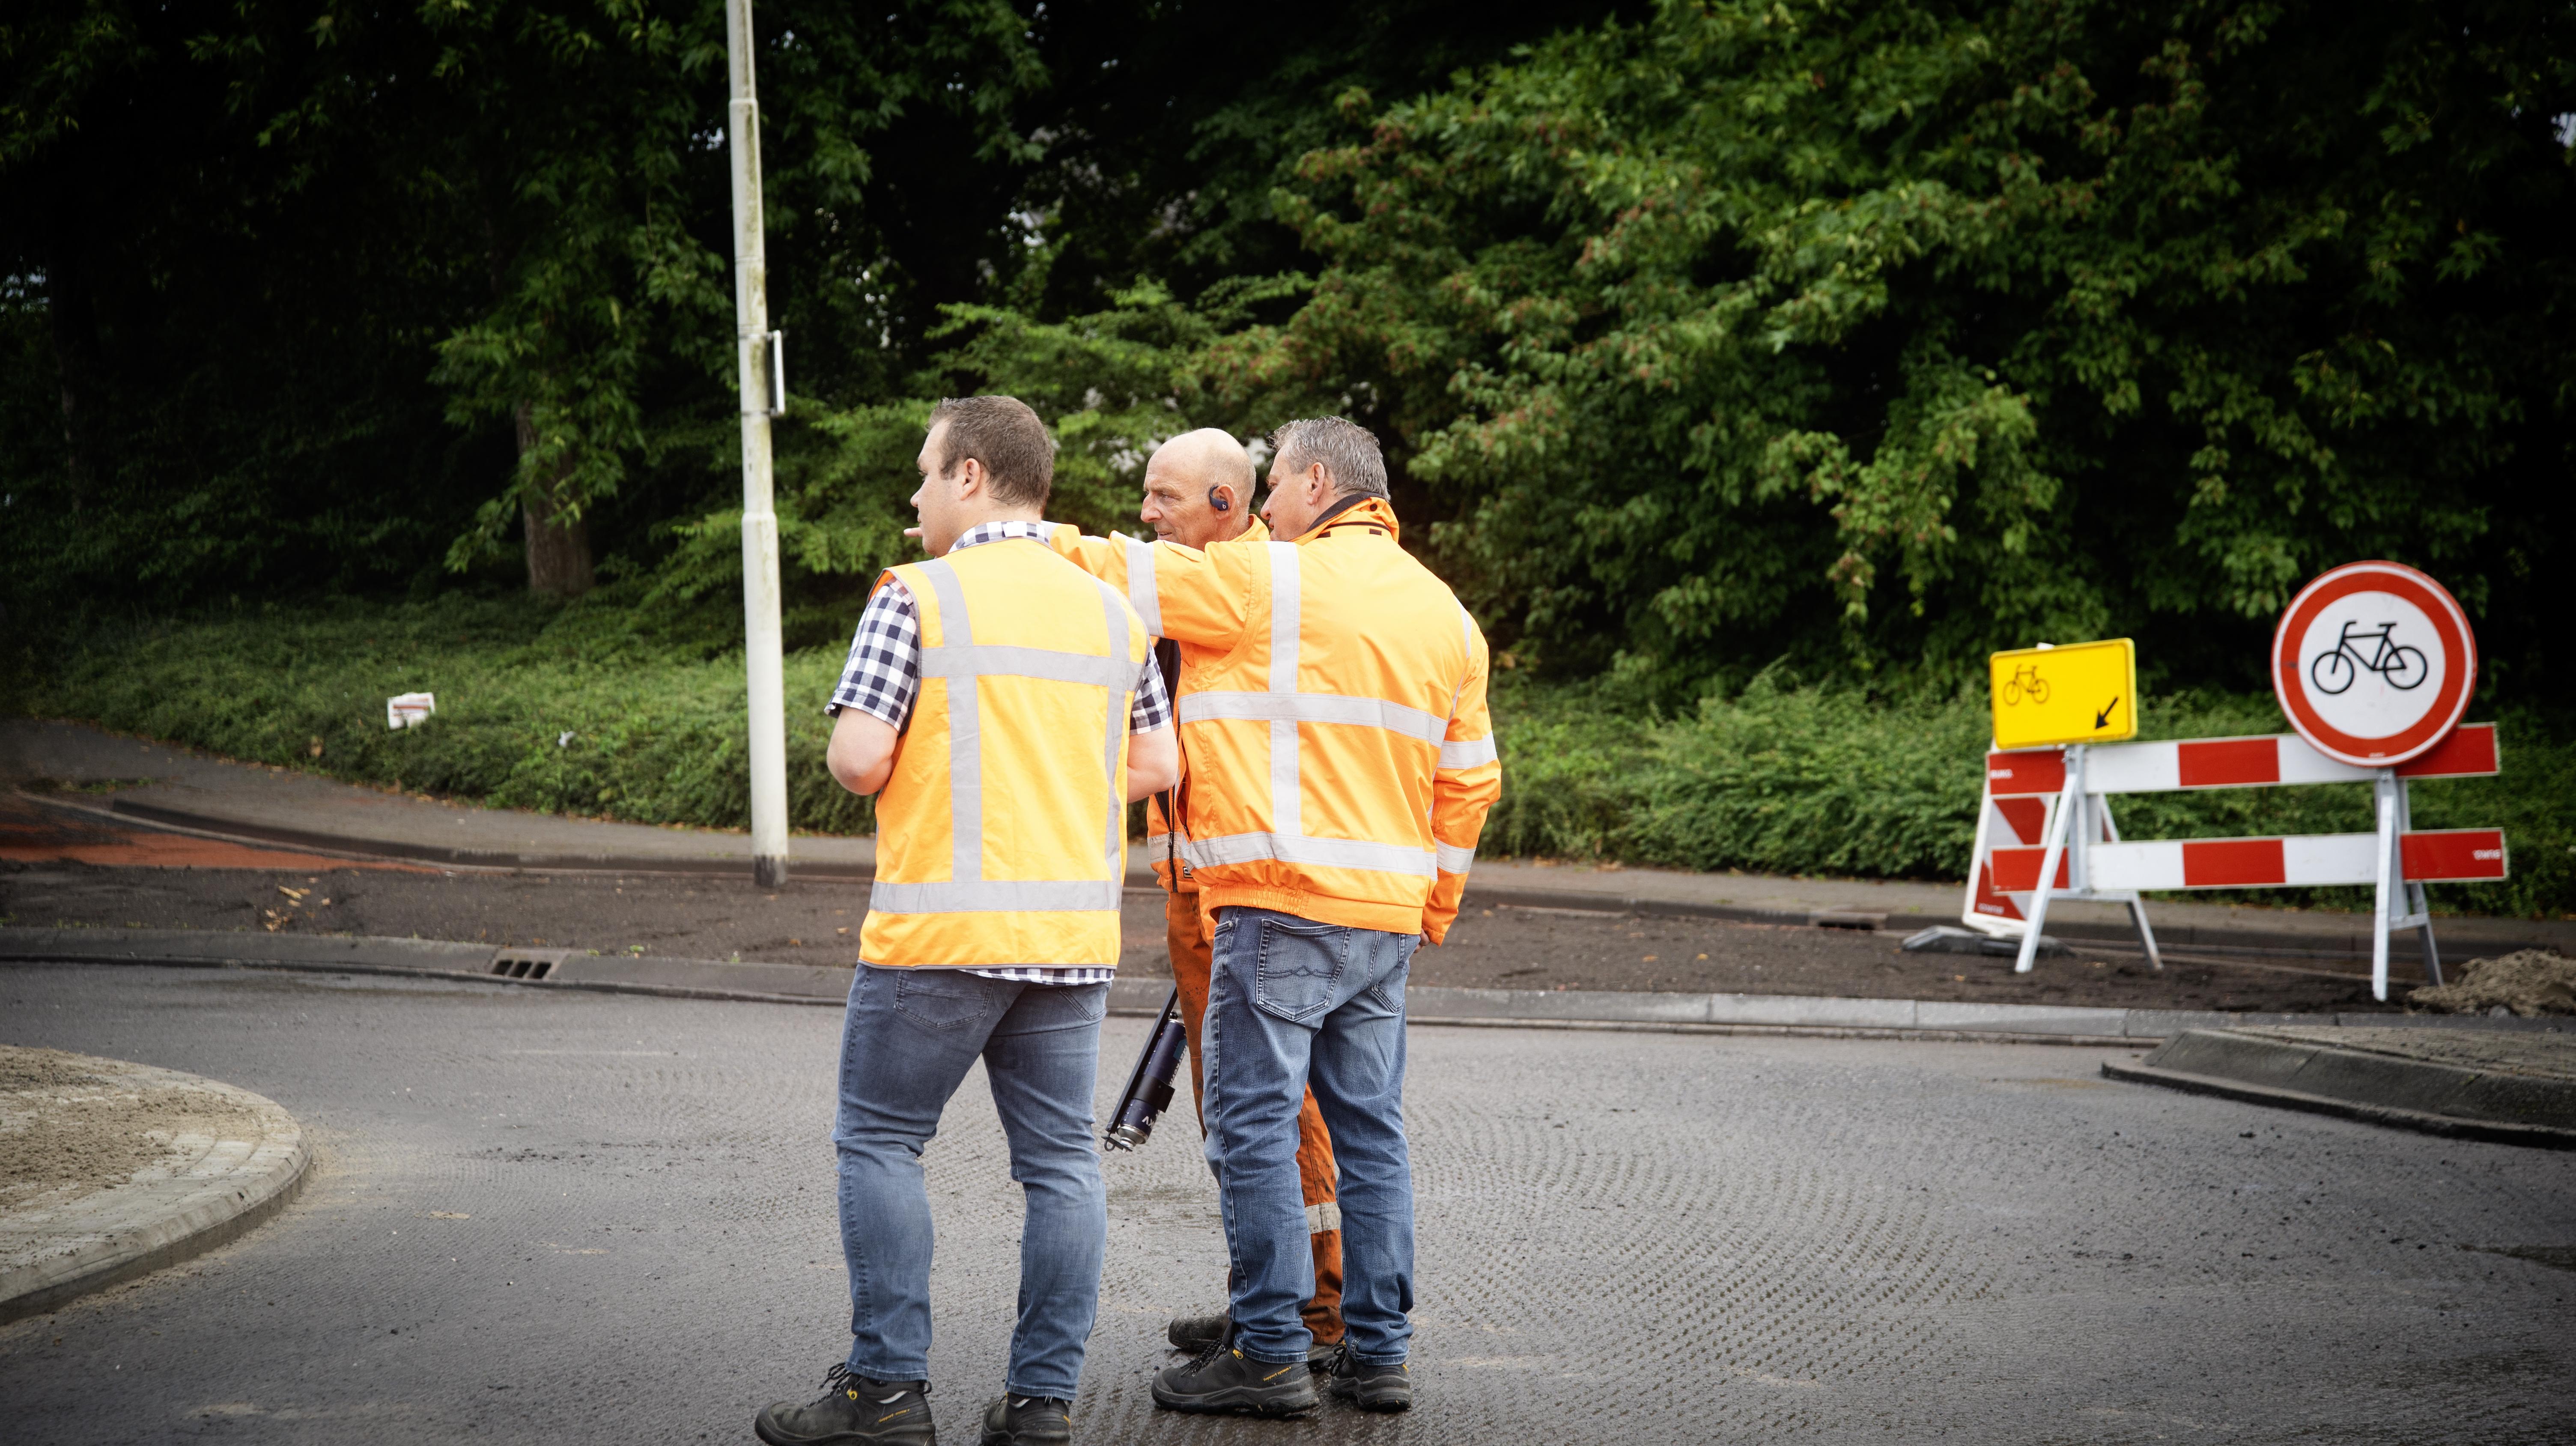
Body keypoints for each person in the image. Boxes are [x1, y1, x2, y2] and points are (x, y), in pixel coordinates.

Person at [1046, 416, 1501, 1417]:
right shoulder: (1446, 613)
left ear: (1313, 484)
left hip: (1276, 904)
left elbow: (1120, 568)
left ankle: (1267, 1351)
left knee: (1252, 1128)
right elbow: (1471, 783)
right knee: (1369, 1136)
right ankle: (1375, 1353)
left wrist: (1008, 534)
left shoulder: (1271, 578)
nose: (1271, 507)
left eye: (1280, 484)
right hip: (1379, 922)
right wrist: (1427, 906)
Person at [754, 395, 1179, 1446]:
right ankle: (1040, 1403)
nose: (913, 492)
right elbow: (1160, 766)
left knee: (881, 1140)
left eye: (924, 470)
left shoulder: (918, 598)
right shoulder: (1111, 615)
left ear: (972, 476)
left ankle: (885, 1392)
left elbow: (857, 758)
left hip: (939, 937)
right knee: (1060, 1166)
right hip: (1069, 945)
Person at [1042, 429, 1351, 1365]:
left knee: (1275, 1115)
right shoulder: (1212, 585)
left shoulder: (1248, 585)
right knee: (1240, 1116)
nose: (1145, 513)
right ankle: (1270, 1295)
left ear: (1226, 503)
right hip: (1203, 888)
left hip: (1242, 895)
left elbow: (1111, 568)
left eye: (1163, 498)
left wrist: (1017, 534)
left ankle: (1310, 1315)